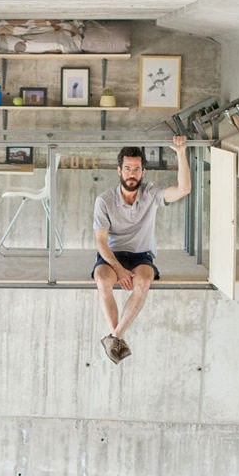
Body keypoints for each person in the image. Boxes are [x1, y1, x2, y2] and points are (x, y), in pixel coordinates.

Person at [92, 135, 190, 364]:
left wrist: (181, 152)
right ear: (119, 171)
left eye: (137, 169)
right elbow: (100, 242)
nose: (132, 173)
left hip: (141, 255)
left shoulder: (150, 193)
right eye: (127, 168)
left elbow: (184, 189)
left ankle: (115, 337)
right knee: (102, 280)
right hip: (112, 256)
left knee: (143, 281)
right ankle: (117, 336)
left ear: (143, 171)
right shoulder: (104, 200)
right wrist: (118, 269)